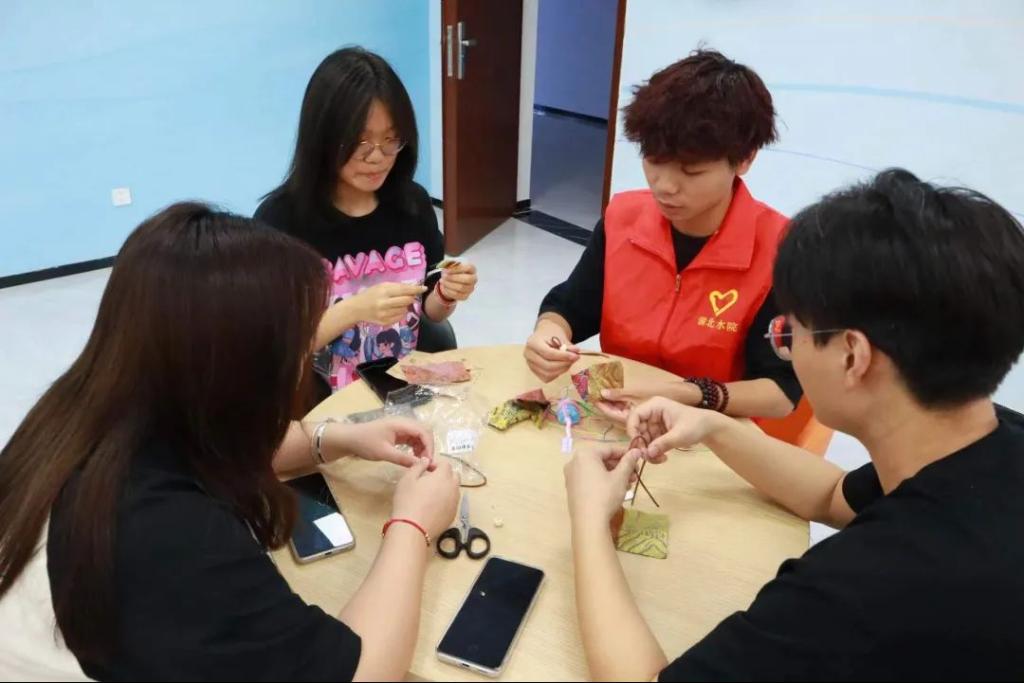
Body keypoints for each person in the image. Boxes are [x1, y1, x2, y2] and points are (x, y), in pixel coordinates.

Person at [564, 169, 1024, 680]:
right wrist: (712, 425)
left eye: (790, 333)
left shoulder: (860, 593)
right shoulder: (987, 440)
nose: (785, 348)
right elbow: (832, 496)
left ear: (852, 356)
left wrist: (589, 519)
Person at [0, 203, 460, 681]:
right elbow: (365, 673)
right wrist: (412, 525)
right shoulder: (173, 537)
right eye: (299, 345)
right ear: (240, 367)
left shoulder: (89, 409)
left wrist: (338, 438)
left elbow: (215, 447)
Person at [525, 49, 800, 421]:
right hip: (619, 419)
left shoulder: (781, 250)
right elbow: (570, 306)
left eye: (691, 171)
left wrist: (688, 395)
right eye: (654, 161)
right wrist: (548, 334)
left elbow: (781, 392)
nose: (665, 186)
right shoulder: (623, 218)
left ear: (745, 158)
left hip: (712, 432)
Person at [256, 47, 478, 392]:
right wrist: (355, 309)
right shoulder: (280, 223)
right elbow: (276, 351)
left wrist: (447, 294)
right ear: (322, 138)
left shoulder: (412, 204)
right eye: (360, 141)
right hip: (322, 404)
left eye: (390, 140)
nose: (378, 157)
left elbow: (428, 312)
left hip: (401, 391)